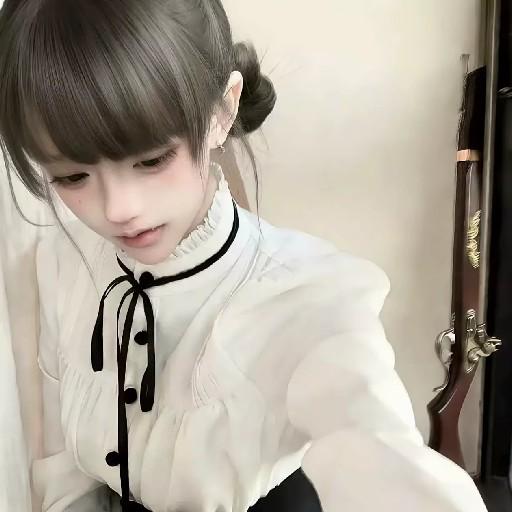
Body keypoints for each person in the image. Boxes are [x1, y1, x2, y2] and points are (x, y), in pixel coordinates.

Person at [0, 1, 489, 511]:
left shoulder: (309, 297)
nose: (117, 209)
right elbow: (65, 472)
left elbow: (378, 449)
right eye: (72, 176)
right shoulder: (64, 264)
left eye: (151, 160)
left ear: (222, 111)